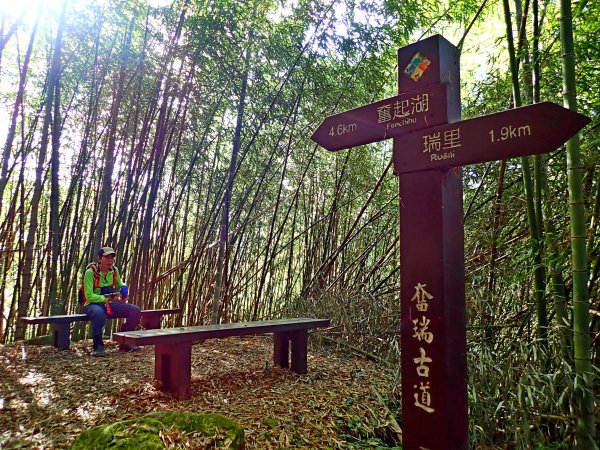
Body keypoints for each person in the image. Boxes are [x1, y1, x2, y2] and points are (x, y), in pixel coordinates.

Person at [81, 246, 141, 356]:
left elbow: (119, 283)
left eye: (112, 257)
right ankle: (98, 346)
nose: (110, 260)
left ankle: (125, 341)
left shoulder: (114, 270)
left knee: (135, 311)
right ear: (99, 259)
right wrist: (105, 298)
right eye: (106, 257)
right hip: (92, 304)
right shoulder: (90, 272)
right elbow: (89, 296)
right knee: (99, 315)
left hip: (109, 303)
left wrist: (123, 287)